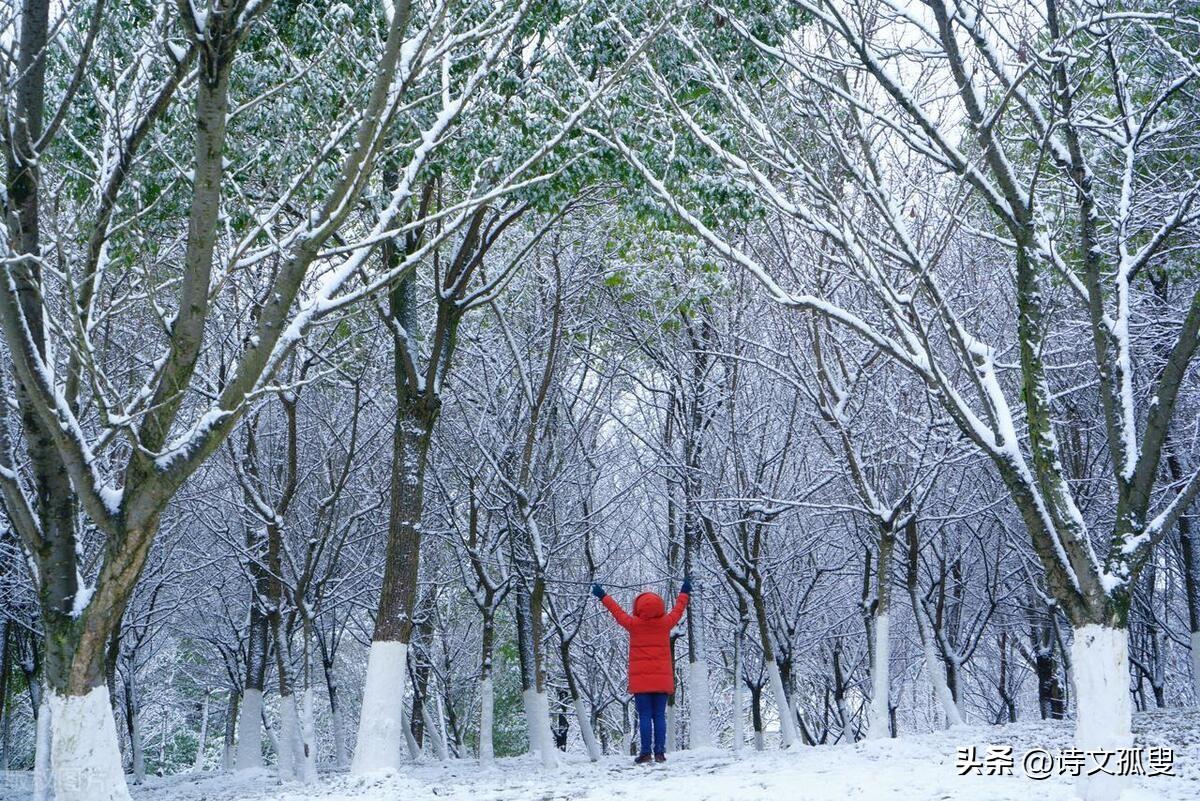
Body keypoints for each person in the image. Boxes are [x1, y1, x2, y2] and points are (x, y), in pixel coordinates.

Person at [591, 577, 691, 764]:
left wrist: (602, 595)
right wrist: (684, 592)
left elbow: (617, 611)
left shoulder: (633, 624)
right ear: (659, 606)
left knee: (645, 715)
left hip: (642, 682)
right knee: (659, 716)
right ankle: (660, 753)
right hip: (662, 680)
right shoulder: (665, 623)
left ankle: (646, 753)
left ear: (638, 607)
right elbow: (678, 610)